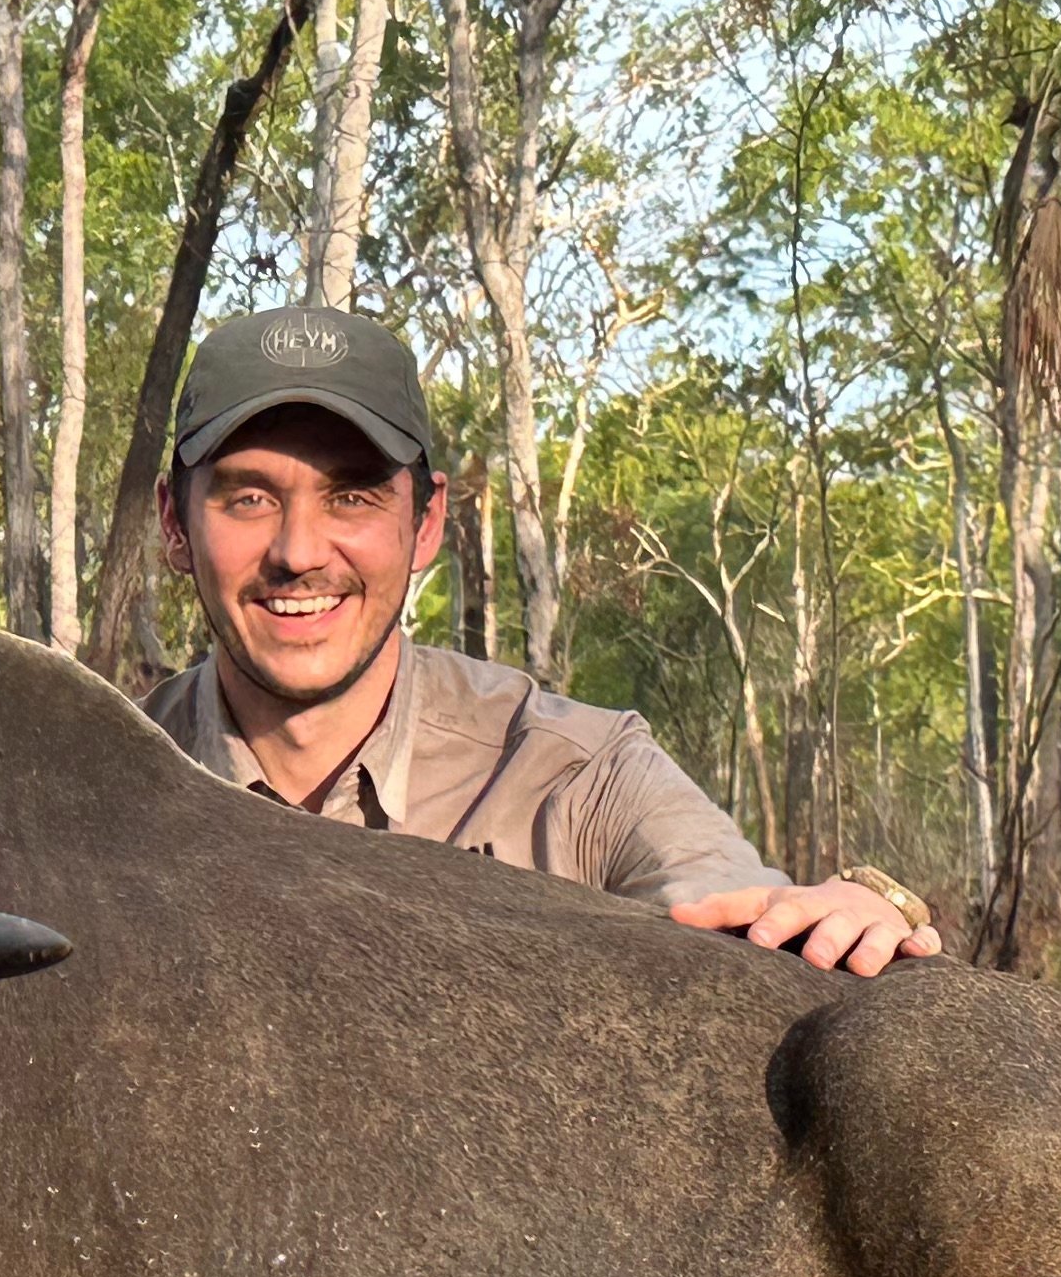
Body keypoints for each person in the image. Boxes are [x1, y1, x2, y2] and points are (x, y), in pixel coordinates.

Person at [143, 303, 941, 976]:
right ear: (176, 525)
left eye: (350, 496)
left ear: (424, 525)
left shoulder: (577, 777)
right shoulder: (93, 782)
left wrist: (853, 912)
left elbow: (731, 904)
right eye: (248, 498)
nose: (299, 552)